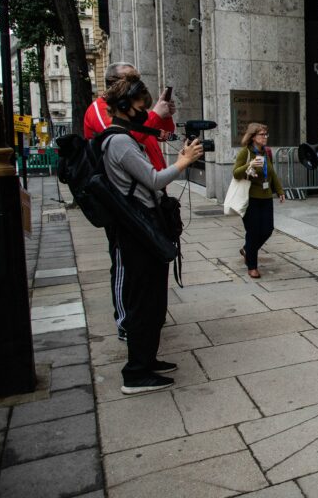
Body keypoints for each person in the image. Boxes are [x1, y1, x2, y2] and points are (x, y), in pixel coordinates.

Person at [101, 73, 204, 394]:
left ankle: (146, 360)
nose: (144, 110)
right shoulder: (118, 141)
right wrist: (184, 161)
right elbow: (155, 180)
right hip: (139, 230)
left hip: (140, 227)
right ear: (124, 105)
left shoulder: (121, 136)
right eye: (140, 105)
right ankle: (136, 372)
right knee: (145, 302)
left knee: (152, 300)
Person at [85, 62, 176, 342]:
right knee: (126, 264)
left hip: (148, 196)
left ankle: (146, 320)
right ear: (115, 85)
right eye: (131, 80)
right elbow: (120, 137)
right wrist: (152, 117)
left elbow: (161, 132)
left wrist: (162, 115)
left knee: (149, 266)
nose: (137, 85)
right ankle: (127, 321)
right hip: (124, 203)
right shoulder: (102, 110)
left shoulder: (136, 110)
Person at [232, 123, 285, 279]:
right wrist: (250, 165)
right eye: (262, 134)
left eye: (266, 134)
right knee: (253, 232)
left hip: (266, 197)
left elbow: (272, 173)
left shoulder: (266, 152)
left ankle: (248, 250)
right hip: (250, 198)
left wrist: (280, 190)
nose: (265, 137)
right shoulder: (245, 153)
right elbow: (235, 173)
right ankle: (252, 266)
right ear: (253, 137)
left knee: (267, 229)